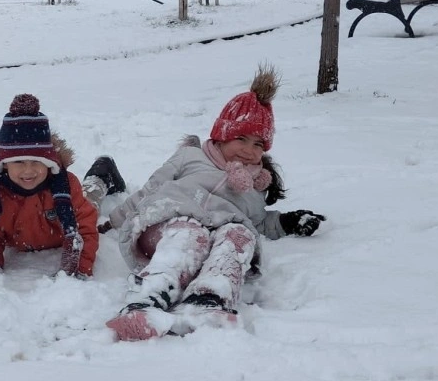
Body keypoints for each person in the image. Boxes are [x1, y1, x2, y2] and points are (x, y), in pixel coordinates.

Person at [102, 66, 326, 341]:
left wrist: (286, 221)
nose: (248, 150)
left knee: (241, 234)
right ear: (221, 135)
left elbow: (258, 221)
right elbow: (151, 188)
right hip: (165, 227)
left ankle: (210, 301)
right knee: (190, 232)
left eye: (258, 144)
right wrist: (114, 220)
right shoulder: (190, 157)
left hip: (214, 241)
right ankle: (146, 301)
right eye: (240, 138)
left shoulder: (253, 190)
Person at [0, 93, 126, 279]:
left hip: (68, 208)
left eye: (37, 162)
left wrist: (80, 268)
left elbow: (84, 230)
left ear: (49, 163)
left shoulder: (66, 187)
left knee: (90, 201)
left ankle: (102, 173)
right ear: (4, 164)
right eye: (19, 162)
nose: (28, 171)